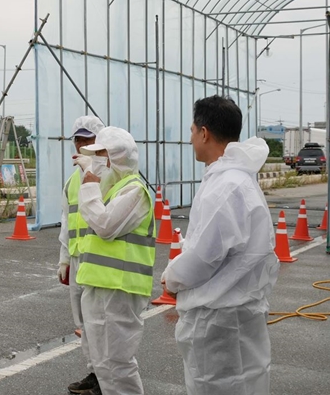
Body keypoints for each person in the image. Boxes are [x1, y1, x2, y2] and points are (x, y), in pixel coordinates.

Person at [162, 95, 279, 395]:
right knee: (247, 384)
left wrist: (172, 277)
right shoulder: (239, 180)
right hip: (239, 314)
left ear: (204, 132)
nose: (190, 139)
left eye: (192, 131)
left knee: (218, 387)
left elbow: (204, 257)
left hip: (218, 320)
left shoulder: (225, 186)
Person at [74, 126, 156, 395]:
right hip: (102, 287)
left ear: (113, 159)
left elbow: (105, 225)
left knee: (117, 364)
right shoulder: (113, 189)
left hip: (121, 289)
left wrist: (88, 183)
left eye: (100, 155)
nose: (95, 162)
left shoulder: (134, 191)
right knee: (103, 364)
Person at [57, 116, 105, 394]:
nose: (81, 145)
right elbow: (67, 221)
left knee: (99, 323)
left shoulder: (107, 177)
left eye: (87, 139)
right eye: (77, 140)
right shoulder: (71, 181)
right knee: (84, 325)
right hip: (77, 261)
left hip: (98, 261)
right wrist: (64, 259)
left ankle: (104, 375)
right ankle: (93, 372)